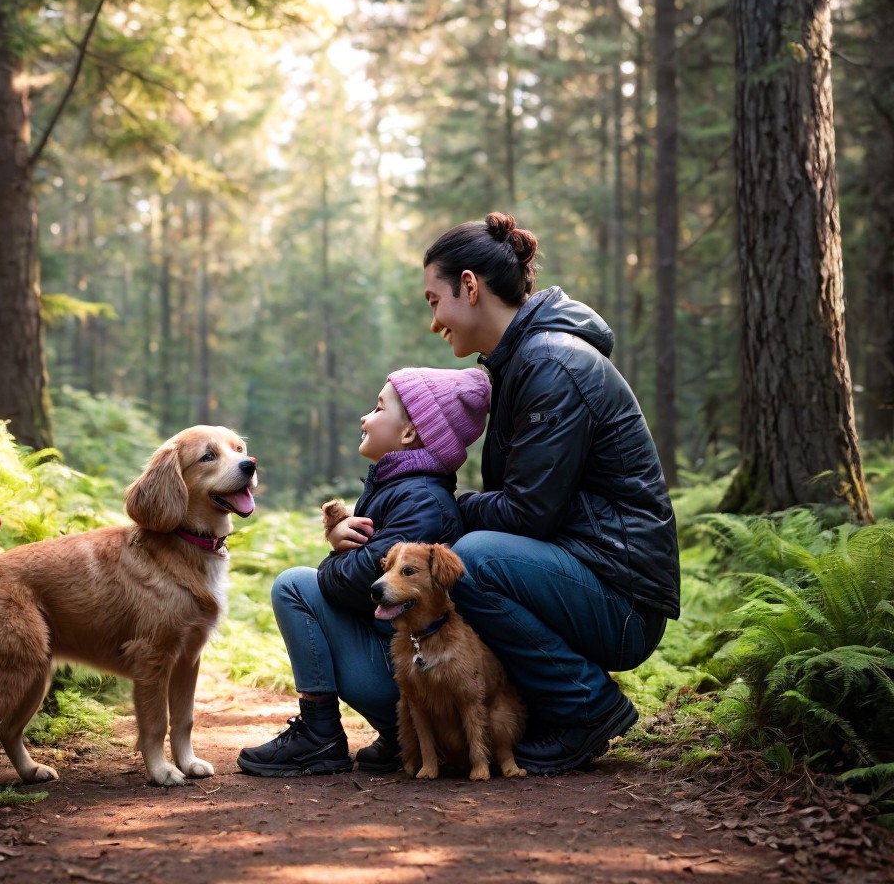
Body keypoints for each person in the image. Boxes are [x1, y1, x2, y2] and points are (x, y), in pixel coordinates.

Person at [420, 211, 681, 775]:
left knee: (474, 561)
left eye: (433, 299)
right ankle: (534, 711)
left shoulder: (552, 364)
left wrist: (452, 509)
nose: (433, 319)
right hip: (587, 576)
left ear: (470, 286)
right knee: (470, 555)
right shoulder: (522, 363)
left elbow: (528, 512)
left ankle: (585, 708)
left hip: (622, 600)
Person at [237, 366, 491, 777]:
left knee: (294, 586)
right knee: (306, 583)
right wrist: (340, 537)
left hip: (420, 675)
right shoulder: (403, 488)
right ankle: (397, 739)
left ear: (409, 434)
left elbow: (358, 584)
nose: (364, 418)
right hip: (409, 667)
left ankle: (320, 736)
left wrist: (335, 553)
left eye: (377, 408)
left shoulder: (420, 498)